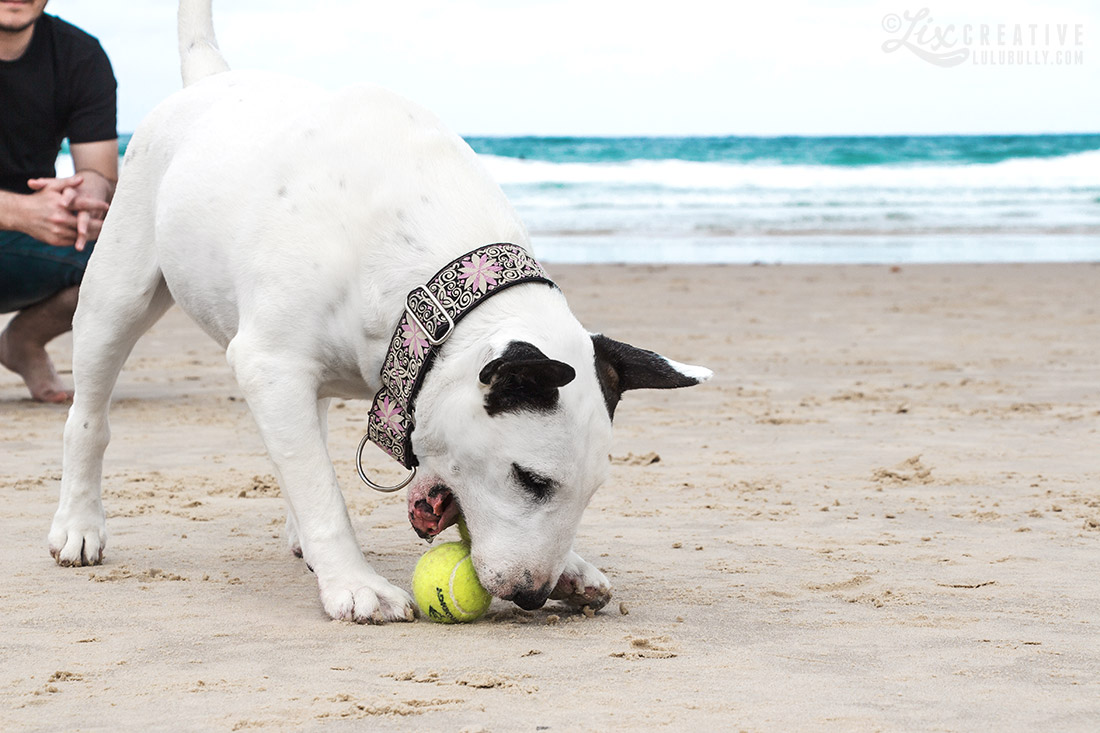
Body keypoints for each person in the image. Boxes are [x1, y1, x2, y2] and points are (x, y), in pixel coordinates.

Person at [0, 0, 117, 402]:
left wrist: (86, 199)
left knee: (130, 259)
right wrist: (19, 211)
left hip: (25, 246)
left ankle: (24, 341)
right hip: (21, 222)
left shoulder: (77, 54)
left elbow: (99, 172)